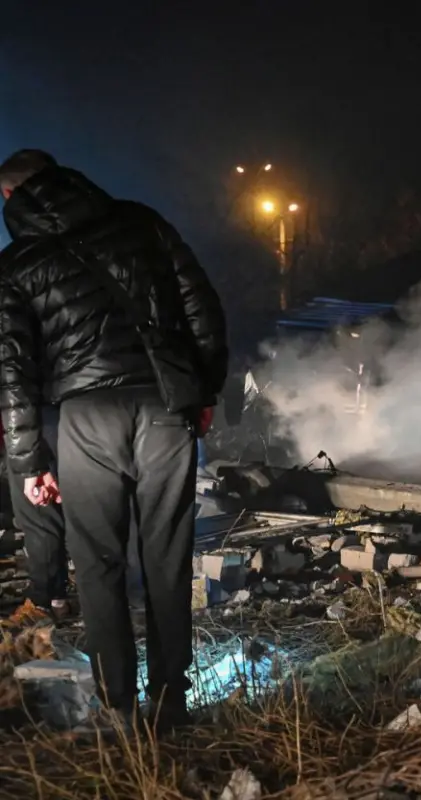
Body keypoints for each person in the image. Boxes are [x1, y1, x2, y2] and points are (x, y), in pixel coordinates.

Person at [0, 149, 227, 729]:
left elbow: (13, 371)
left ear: (10, 198)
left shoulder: (17, 262)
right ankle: (171, 701)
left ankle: (119, 706)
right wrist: (203, 393)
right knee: (168, 558)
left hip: (86, 416)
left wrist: (29, 460)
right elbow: (202, 308)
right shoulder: (140, 220)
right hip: (163, 406)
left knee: (96, 563)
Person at [0, 410, 70, 623]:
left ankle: (42, 602)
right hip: (58, 422)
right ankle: (56, 598)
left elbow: (17, 393)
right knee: (48, 518)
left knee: (39, 519)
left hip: (28, 435)